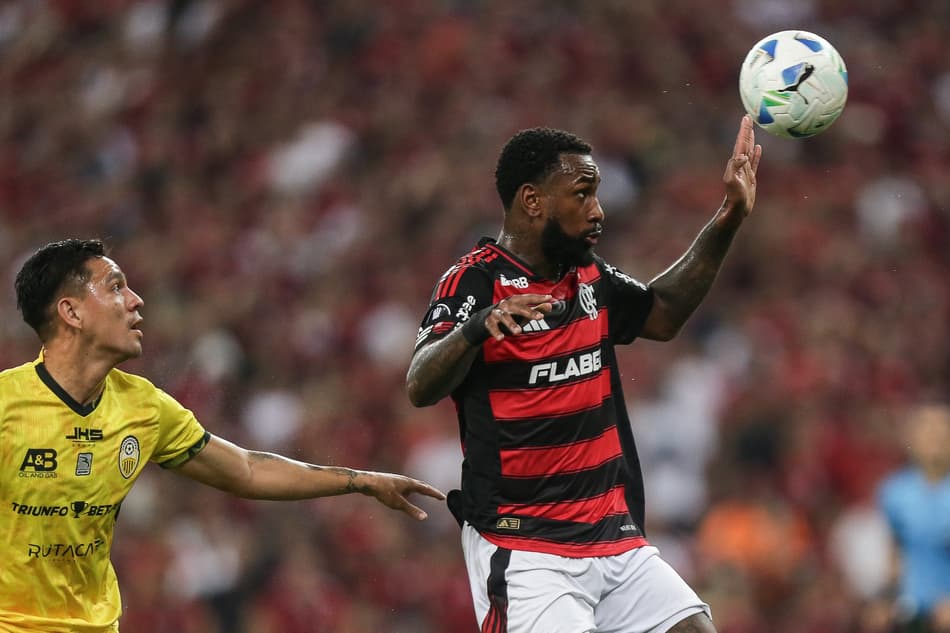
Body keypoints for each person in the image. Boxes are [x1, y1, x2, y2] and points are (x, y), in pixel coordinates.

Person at [406, 115, 762, 633]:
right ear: (533, 201)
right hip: (526, 548)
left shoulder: (587, 274)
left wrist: (729, 215)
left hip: (612, 538)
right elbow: (419, 384)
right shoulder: (474, 280)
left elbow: (660, 313)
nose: (598, 210)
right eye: (583, 194)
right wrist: (476, 329)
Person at [0, 238, 445, 632]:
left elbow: (247, 470)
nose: (136, 300)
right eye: (116, 287)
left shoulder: (143, 407)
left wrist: (360, 480)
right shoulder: (7, 403)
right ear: (71, 311)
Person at [873, 403, 950, 633]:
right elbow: (896, 552)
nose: (934, 436)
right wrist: (885, 599)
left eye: (941, 428)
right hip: (912, 610)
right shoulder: (894, 492)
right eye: (926, 429)